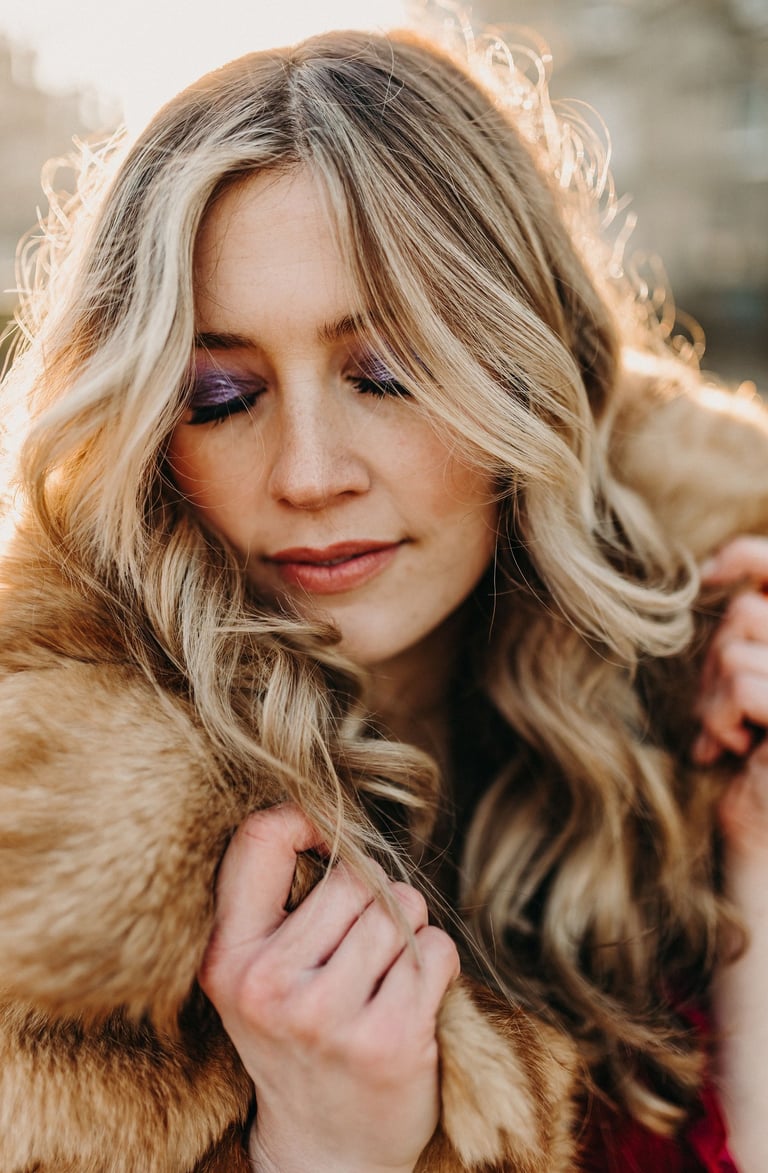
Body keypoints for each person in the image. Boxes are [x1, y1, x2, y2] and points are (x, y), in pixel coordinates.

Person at [0, 13, 766, 1173]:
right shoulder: (52, 893)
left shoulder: (680, 751)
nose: (311, 474)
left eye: (389, 374)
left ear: (527, 373)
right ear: (145, 432)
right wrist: (321, 1151)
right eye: (219, 393)